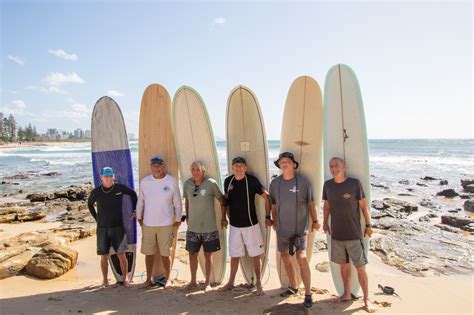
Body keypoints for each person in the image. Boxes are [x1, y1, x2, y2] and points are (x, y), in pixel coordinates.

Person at [322, 157, 375, 313]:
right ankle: (346, 293)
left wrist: (369, 225)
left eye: (336, 165)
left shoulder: (354, 184)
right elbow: (327, 205)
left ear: (344, 167)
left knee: (360, 268)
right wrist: (325, 222)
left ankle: (366, 299)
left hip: (353, 234)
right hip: (336, 234)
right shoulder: (328, 185)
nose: (334, 168)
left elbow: (364, 207)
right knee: (343, 267)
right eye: (331, 166)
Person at [269, 152, 320, 308]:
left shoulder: (303, 182)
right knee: (285, 256)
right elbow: (273, 205)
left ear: (293, 164)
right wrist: (274, 221)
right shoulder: (275, 183)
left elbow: (311, 203)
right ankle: (293, 286)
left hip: (299, 230)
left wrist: (316, 220)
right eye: (281, 162)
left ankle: (308, 294)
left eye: (287, 162)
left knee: (302, 259)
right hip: (282, 230)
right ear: (279, 165)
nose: (284, 164)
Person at [219, 156, 270, 296]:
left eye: (241, 166)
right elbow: (225, 201)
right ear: (232, 167)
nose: (239, 168)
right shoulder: (228, 181)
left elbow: (266, 196)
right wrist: (224, 218)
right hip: (234, 226)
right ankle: (230, 282)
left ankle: (259, 283)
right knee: (234, 255)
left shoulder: (251, 181)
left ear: (245, 168)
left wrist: (267, 216)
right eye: (236, 166)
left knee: (255, 254)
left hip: (251, 225)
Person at [136, 155, 182, 288]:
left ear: (163, 166)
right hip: (148, 224)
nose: (156, 168)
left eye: (159, 165)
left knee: (165, 254)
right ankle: (148, 280)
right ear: (150, 167)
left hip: (166, 224)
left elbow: (177, 202)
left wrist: (178, 219)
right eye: (154, 165)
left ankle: (168, 279)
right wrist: (139, 217)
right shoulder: (145, 182)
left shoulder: (172, 181)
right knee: (149, 254)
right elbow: (141, 201)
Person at [87, 166, 137, 288]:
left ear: (113, 177)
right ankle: (105, 280)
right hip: (102, 228)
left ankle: (125, 279)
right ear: (101, 177)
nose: (108, 179)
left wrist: (135, 210)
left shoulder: (119, 188)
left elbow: (133, 194)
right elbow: (89, 205)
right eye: (106, 176)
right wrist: (97, 218)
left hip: (118, 227)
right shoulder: (97, 191)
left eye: (110, 176)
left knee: (121, 254)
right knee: (104, 256)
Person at [183, 161, 226, 292]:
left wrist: (224, 217)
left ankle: (207, 282)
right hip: (193, 227)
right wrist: (188, 216)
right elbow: (187, 201)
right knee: (192, 255)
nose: (195, 172)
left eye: (198, 170)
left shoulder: (211, 183)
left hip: (209, 227)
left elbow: (222, 200)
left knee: (208, 256)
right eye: (193, 169)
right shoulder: (187, 184)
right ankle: (193, 281)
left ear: (203, 171)